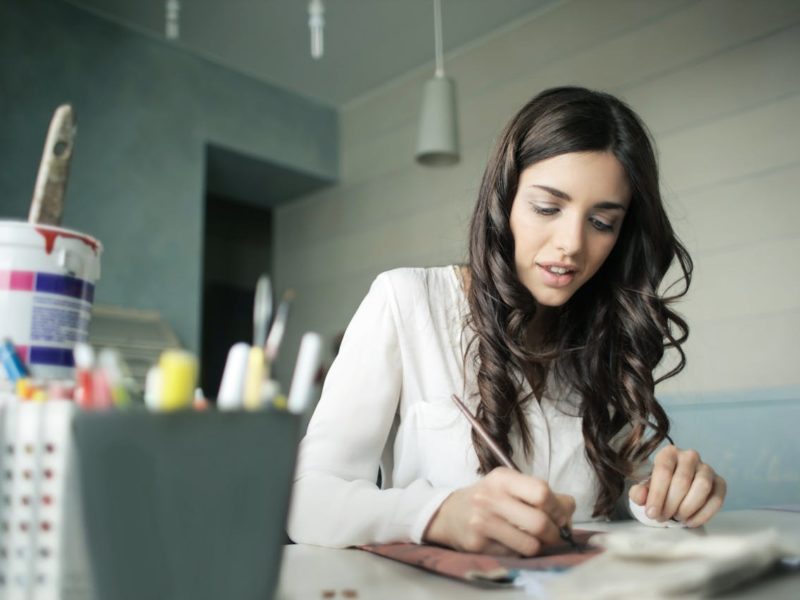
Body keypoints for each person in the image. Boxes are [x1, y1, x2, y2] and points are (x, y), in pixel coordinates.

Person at [287, 86, 727, 556]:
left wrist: (670, 497)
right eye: (547, 208)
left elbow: (623, 503)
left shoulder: (606, 335)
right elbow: (306, 499)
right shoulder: (408, 300)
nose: (571, 244)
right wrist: (437, 514)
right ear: (505, 200)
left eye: (602, 222)